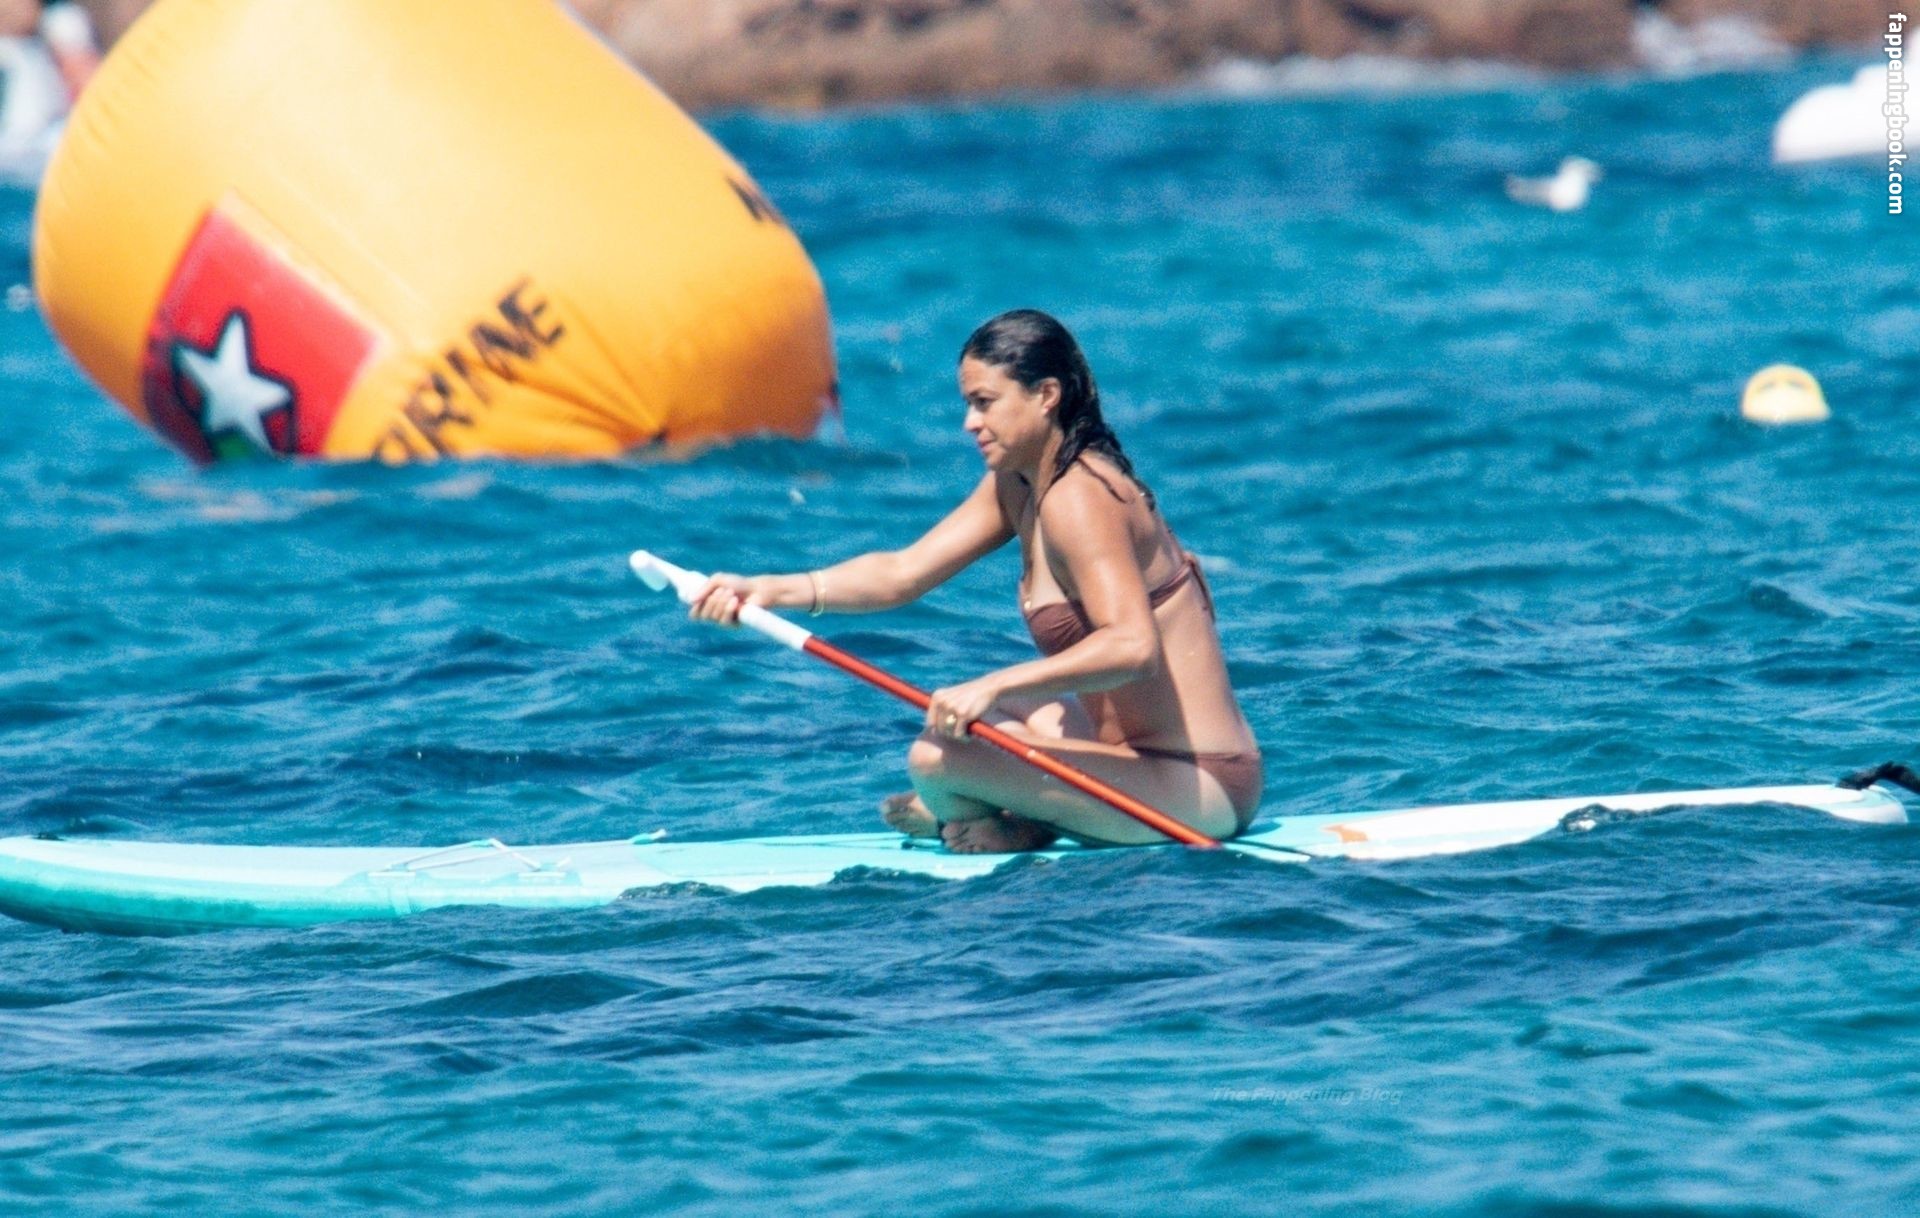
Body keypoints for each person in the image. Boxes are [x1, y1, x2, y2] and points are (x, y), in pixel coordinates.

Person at [688, 309, 1262, 853]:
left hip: (1198, 786)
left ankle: (992, 817)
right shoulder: (1020, 483)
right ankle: (1007, 814)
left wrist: (994, 684)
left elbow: (1132, 646)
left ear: (1046, 395)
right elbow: (902, 573)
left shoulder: (1081, 496)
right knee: (966, 725)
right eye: (968, 404)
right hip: (1121, 758)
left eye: (985, 403)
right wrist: (768, 590)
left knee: (936, 759)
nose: (970, 423)